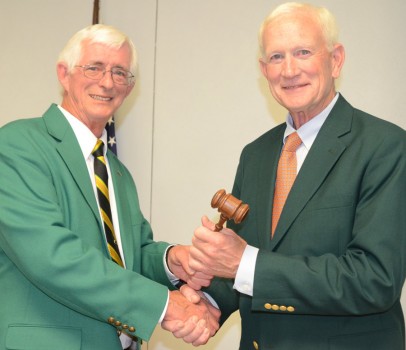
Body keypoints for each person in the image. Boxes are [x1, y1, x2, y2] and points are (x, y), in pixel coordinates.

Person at [188, 3, 406, 349]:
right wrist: (207, 304)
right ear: (263, 69)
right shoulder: (255, 154)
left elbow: (375, 280)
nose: (289, 70)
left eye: (303, 52)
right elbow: (240, 267)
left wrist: (246, 263)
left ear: (335, 60)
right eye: (276, 57)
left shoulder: (385, 146)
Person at [0, 24, 220, 350]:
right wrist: (165, 305)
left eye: (120, 73)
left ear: (129, 88)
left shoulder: (116, 172)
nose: (107, 82)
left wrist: (172, 260)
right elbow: (51, 256)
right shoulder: (17, 145)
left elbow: (131, 255)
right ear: (64, 74)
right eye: (94, 68)